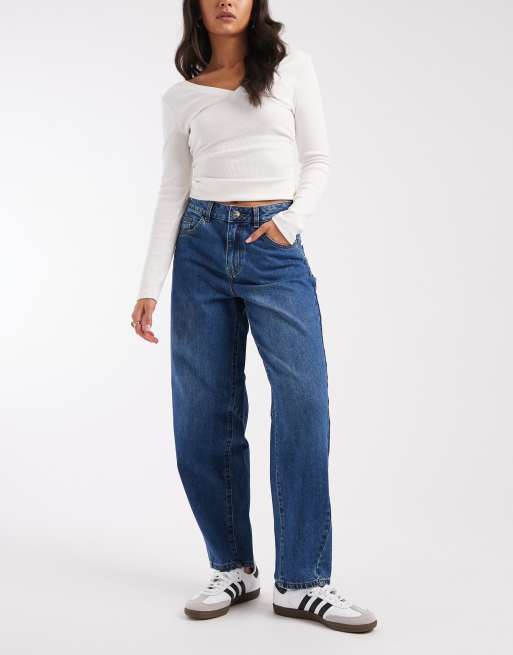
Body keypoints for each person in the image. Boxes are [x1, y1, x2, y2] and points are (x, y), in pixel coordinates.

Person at [131, 0, 377, 633]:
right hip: (199, 249)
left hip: (274, 247)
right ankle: (233, 567)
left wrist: (288, 223)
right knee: (202, 416)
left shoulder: (292, 69)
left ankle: (303, 581)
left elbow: (318, 160)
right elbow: (172, 188)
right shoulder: (181, 97)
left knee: (303, 403)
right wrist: (149, 285)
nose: (226, 0)